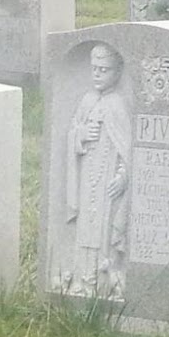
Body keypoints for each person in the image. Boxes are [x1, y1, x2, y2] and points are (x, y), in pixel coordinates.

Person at [63, 42, 131, 298]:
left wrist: (123, 176)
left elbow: (128, 148)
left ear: (117, 73)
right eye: (94, 69)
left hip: (107, 181)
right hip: (87, 176)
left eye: (104, 69)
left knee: (102, 230)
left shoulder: (118, 104)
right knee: (85, 231)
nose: (98, 74)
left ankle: (101, 283)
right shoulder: (87, 100)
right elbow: (71, 133)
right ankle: (82, 280)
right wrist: (81, 135)